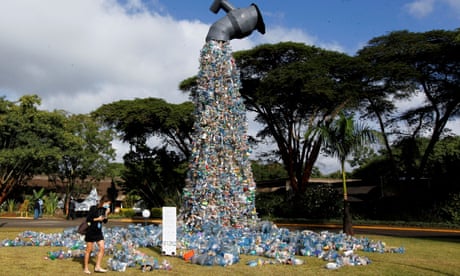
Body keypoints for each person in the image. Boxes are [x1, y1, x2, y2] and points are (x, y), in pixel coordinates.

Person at [83, 195, 111, 274]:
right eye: (107, 203)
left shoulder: (104, 209)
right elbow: (88, 219)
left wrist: (106, 214)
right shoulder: (93, 208)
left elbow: (105, 221)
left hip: (98, 231)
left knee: (102, 248)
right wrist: (97, 219)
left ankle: (97, 267)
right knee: (89, 250)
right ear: (103, 202)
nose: (108, 205)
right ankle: (85, 268)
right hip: (91, 231)